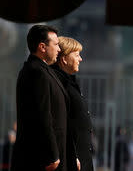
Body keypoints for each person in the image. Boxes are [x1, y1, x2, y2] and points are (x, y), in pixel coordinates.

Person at [11, 25, 78, 171]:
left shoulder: (44, 70)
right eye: (55, 45)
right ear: (42, 47)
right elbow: (43, 116)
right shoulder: (36, 72)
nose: (59, 49)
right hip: (43, 159)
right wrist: (52, 155)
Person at [51, 36, 93, 171]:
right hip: (72, 160)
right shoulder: (60, 84)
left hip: (80, 158)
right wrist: (72, 155)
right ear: (64, 59)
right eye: (76, 55)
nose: (80, 59)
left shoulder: (69, 83)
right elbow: (60, 123)